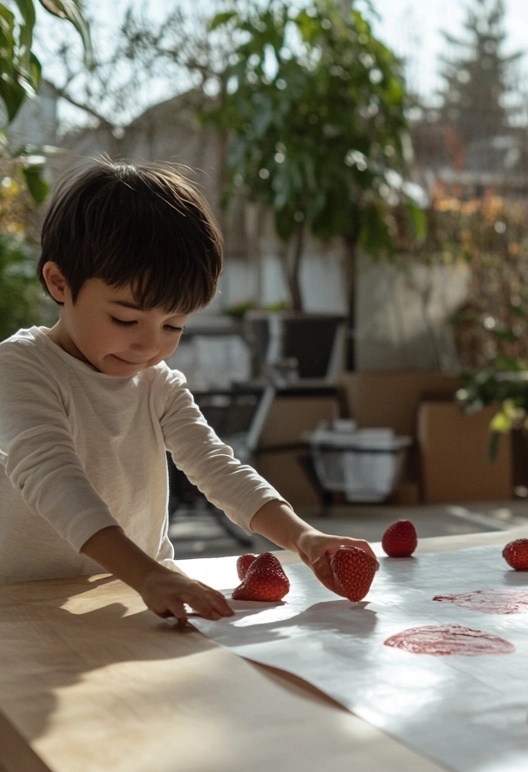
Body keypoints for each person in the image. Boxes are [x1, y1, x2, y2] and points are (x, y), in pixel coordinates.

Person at [0, 159, 377, 625]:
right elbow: (51, 477)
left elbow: (216, 466)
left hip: (139, 593)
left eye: (174, 325)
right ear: (59, 283)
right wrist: (145, 572)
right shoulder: (20, 367)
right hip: (26, 605)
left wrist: (302, 537)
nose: (150, 345)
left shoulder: (158, 382)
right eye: (125, 319)